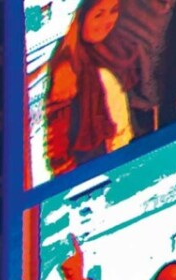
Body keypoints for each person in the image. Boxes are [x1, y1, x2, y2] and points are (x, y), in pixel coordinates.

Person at [42, 0, 143, 177]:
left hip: (123, 160)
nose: (108, 21)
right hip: (92, 174)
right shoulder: (67, 70)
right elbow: (57, 149)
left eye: (114, 11)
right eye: (99, 14)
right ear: (80, 17)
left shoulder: (117, 49)